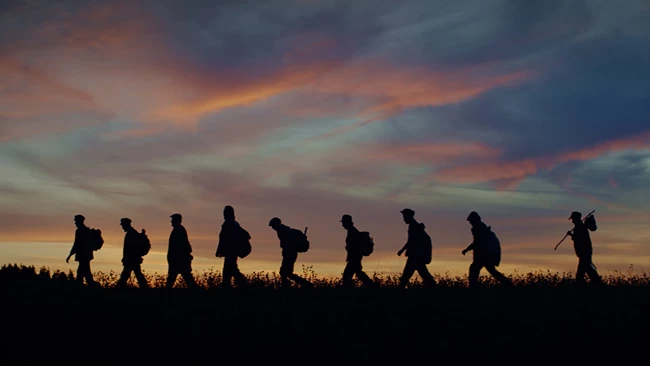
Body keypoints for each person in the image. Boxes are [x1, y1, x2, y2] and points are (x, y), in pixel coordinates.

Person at [462, 211, 513, 288]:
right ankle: (509, 285)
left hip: (485, 254)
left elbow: (478, 242)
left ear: (474, 220)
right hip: (488, 254)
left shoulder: (479, 228)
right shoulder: (481, 228)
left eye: (471, 221)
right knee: (491, 271)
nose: (470, 223)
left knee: (474, 269)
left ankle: (472, 287)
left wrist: (467, 249)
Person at [269, 217, 313, 288]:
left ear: (276, 224)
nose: (272, 228)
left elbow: (289, 243)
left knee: (284, 272)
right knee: (287, 272)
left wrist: (286, 247)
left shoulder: (283, 230)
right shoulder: (284, 229)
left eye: (273, 225)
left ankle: (304, 284)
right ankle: (304, 284)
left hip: (290, 253)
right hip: (289, 253)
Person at [397, 208, 435, 288]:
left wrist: (402, 250)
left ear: (409, 216)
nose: (404, 219)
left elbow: (411, 240)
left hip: (415, 255)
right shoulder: (414, 226)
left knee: (406, 275)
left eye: (404, 216)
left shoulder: (413, 227)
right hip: (417, 255)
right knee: (424, 274)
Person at [215, 205, 248, 289]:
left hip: (230, 251)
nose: (223, 214)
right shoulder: (234, 223)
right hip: (232, 251)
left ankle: (243, 286)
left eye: (225, 212)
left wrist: (219, 250)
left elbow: (224, 238)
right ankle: (229, 286)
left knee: (230, 270)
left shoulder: (229, 223)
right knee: (230, 270)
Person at [567, 211, 603, 286]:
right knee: (585, 270)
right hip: (584, 253)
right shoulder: (579, 227)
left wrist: (571, 235)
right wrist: (572, 235)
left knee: (586, 270)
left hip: (584, 253)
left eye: (573, 219)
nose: (572, 221)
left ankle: (597, 284)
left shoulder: (580, 227)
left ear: (576, 218)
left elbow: (580, 239)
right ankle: (597, 284)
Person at [340, 214, 374, 288]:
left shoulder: (352, 231)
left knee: (347, 276)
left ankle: (346, 291)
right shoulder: (352, 230)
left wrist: (349, 248)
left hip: (354, 257)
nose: (342, 225)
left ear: (347, 222)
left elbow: (354, 245)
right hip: (355, 257)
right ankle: (372, 286)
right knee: (358, 273)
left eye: (343, 223)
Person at [167, 213, 198, 289]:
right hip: (178, 259)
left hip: (178, 260)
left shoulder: (179, 230)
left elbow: (181, 245)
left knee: (176, 278)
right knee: (186, 278)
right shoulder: (178, 230)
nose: (171, 221)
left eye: (173, 220)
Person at [116, 218, 149, 288]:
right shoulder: (132, 233)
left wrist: (126, 258)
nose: (122, 227)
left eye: (123, 225)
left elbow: (130, 249)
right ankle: (145, 287)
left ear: (126, 224)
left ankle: (118, 289)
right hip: (133, 259)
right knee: (137, 275)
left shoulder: (131, 234)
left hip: (131, 260)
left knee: (125, 276)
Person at [65, 214, 96, 286]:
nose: (75, 223)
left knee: (82, 273)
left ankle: (84, 288)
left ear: (80, 221)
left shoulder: (80, 231)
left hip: (83, 256)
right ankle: (90, 287)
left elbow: (76, 244)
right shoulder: (86, 230)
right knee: (85, 272)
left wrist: (70, 255)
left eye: (76, 221)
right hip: (86, 256)